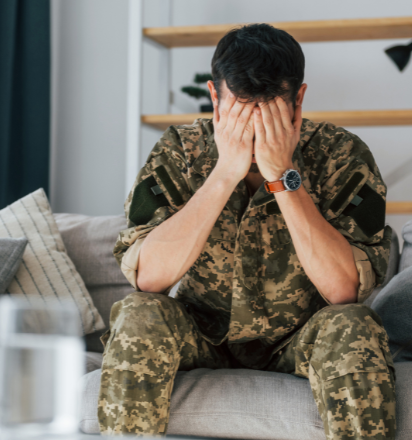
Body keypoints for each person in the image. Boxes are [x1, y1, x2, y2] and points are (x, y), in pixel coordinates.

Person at [98, 23, 395, 440]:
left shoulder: (341, 154)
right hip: (203, 336)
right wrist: (225, 173)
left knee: (354, 323)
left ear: (299, 100)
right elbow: (149, 278)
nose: (255, 129)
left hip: (300, 340)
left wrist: (282, 175)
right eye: (242, 110)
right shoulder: (180, 151)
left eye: (270, 112)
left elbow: (343, 290)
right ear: (214, 97)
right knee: (139, 312)